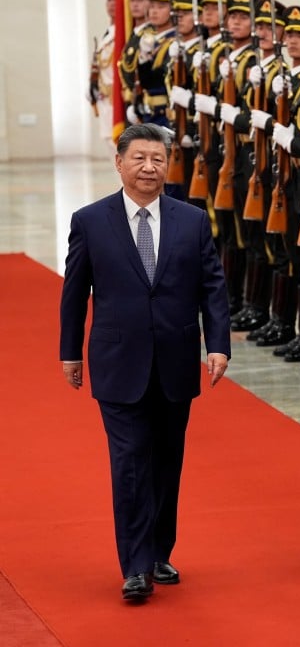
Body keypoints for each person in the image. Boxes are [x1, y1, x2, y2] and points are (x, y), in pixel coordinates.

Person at [59, 124, 231, 602]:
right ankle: (134, 566)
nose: (149, 168)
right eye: (139, 158)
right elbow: (74, 294)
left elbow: (212, 288)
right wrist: (69, 352)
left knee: (166, 463)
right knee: (130, 462)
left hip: (176, 361)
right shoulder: (90, 221)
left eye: (158, 159)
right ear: (119, 163)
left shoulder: (192, 220)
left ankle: (158, 551)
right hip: (117, 362)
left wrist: (218, 344)